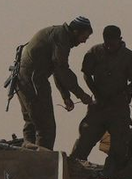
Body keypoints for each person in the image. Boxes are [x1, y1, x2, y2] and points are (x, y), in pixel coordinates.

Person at [13, 17, 94, 149]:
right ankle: (41, 163)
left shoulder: (58, 34)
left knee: (32, 122)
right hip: (33, 81)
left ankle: (29, 154)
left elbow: (57, 69)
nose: (84, 41)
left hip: (23, 80)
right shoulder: (61, 38)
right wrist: (81, 94)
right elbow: (62, 69)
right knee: (46, 127)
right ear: (75, 32)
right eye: (84, 37)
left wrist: (65, 96)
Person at [70, 25, 132, 166]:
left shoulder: (129, 57)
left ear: (119, 40)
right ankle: (74, 169)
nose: (110, 47)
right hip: (99, 106)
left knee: (119, 146)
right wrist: (97, 94)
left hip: (118, 108)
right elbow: (86, 74)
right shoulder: (95, 52)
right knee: (85, 139)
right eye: (107, 43)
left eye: (113, 43)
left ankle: (114, 175)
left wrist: (125, 92)